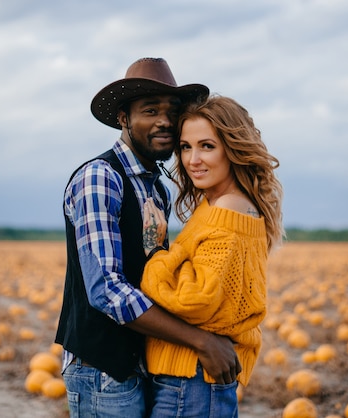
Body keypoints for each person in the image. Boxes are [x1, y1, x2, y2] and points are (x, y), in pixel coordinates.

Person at [55, 58, 242, 418]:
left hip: (143, 357)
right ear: (124, 118)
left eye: (172, 112)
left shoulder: (157, 188)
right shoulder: (100, 177)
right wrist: (200, 341)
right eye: (150, 110)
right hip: (102, 368)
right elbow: (107, 289)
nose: (164, 121)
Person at [140, 95, 285, 417]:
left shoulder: (228, 208)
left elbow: (194, 298)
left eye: (207, 146)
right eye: (186, 147)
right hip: (189, 379)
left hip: (191, 382)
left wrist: (154, 251)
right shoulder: (216, 205)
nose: (193, 159)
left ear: (232, 149)